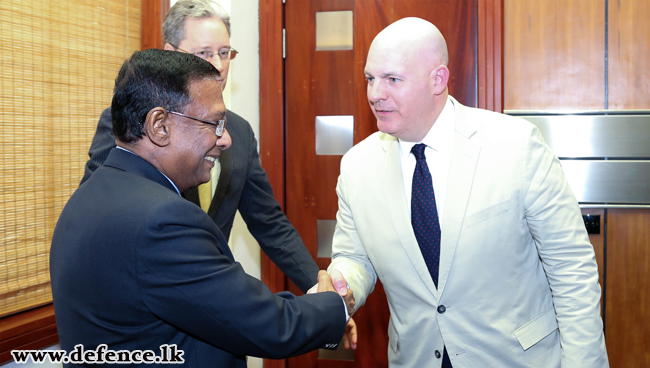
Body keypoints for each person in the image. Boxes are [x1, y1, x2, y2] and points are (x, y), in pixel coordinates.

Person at [326, 17, 609, 368]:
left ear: (438, 80)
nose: (374, 94)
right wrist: (342, 285)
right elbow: (356, 257)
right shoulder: (357, 167)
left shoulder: (517, 146)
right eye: (370, 78)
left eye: (392, 79)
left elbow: (572, 271)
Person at [51, 49, 354, 367]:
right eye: (214, 124)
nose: (225, 141)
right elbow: (266, 325)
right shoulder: (163, 221)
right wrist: (336, 305)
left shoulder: (87, 198)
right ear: (159, 125)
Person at [80, 0, 320, 294]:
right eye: (204, 54)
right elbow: (95, 210)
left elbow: (268, 222)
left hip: (214, 293)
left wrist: (323, 288)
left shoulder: (239, 132)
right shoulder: (132, 123)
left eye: (224, 53)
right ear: (171, 55)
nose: (218, 67)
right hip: (149, 297)